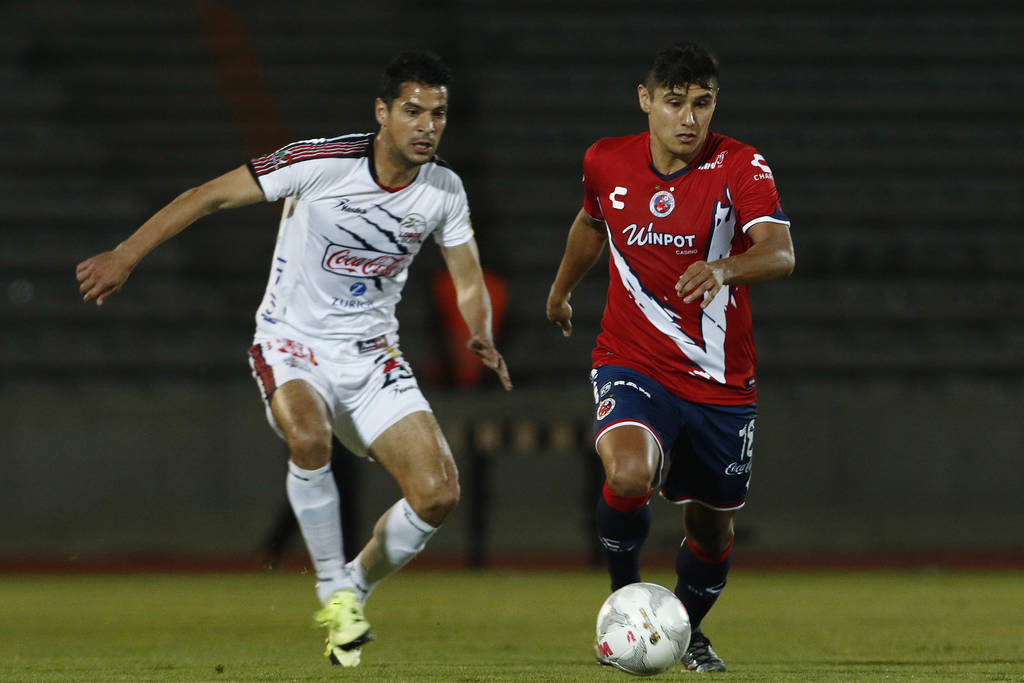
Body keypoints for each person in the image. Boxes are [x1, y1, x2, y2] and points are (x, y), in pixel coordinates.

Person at [76, 50, 512, 667]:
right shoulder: (319, 162)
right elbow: (207, 196)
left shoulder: (443, 189)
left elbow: (467, 277)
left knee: (438, 494)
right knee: (309, 437)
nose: (427, 126)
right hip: (291, 341)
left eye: (438, 114)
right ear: (382, 112)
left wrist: (480, 330)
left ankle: (355, 585)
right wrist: (125, 255)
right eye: (413, 111)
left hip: (372, 355)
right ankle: (333, 590)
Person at [546, 42, 794, 673]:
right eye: (675, 102)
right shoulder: (605, 160)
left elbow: (780, 252)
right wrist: (561, 290)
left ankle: (683, 629)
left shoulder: (740, 165)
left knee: (711, 531)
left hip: (719, 379)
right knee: (629, 474)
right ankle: (624, 605)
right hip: (632, 359)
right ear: (645, 100)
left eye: (702, 103)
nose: (689, 118)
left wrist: (724, 267)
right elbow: (591, 222)